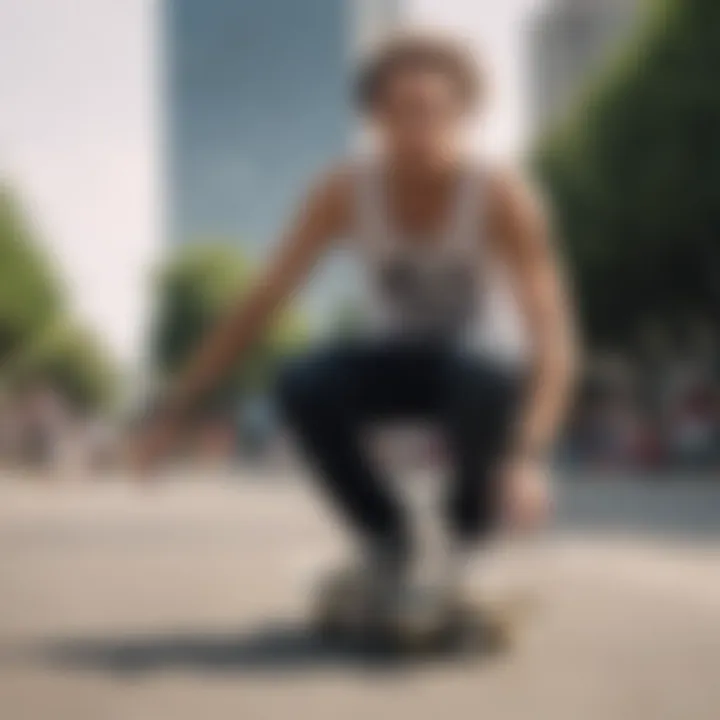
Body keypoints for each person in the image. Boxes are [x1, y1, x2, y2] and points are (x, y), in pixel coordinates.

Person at [135, 34, 577, 625]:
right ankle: (388, 537)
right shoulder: (342, 191)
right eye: (400, 113)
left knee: (486, 375)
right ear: (374, 119)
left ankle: (467, 540)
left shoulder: (501, 194)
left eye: (436, 113)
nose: (419, 131)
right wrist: (176, 408)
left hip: (477, 369)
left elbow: (552, 334)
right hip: (395, 360)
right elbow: (261, 301)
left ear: (465, 116)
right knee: (300, 381)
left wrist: (527, 455)